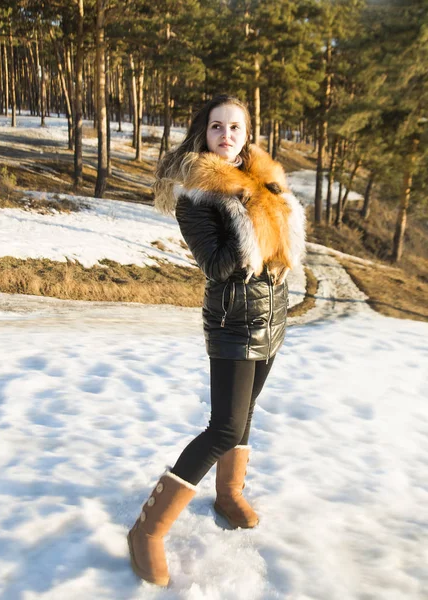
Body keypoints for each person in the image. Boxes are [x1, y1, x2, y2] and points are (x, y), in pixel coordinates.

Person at [127, 94, 306, 587]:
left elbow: (284, 253)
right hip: (233, 323)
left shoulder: (266, 182)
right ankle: (148, 529)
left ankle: (228, 494)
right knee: (224, 427)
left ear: (247, 135)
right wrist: (245, 209)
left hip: (273, 318)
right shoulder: (198, 195)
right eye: (216, 127)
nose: (226, 135)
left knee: (244, 416)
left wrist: (260, 197)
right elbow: (218, 265)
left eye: (235, 128)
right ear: (202, 134)